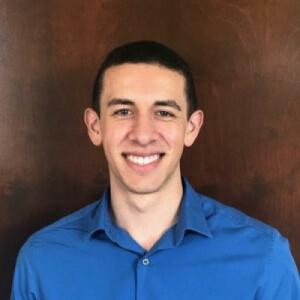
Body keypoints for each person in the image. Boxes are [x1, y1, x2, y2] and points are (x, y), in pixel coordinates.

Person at [11, 41, 299, 300]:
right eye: (123, 111)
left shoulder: (264, 258)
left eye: (164, 113)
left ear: (191, 128)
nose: (143, 134)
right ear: (95, 126)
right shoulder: (42, 261)